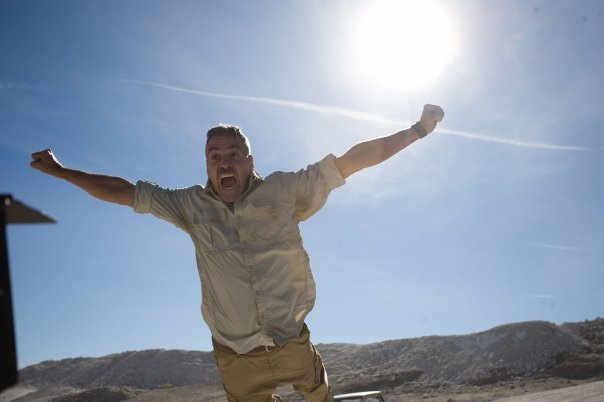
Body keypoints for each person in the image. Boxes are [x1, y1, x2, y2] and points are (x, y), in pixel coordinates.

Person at [30, 104, 444, 402]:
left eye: (232, 155)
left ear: (249, 161)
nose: (224, 164)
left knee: (320, 397)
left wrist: (417, 130)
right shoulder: (189, 205)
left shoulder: (285, 190)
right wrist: (61, 172)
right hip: (236, 356)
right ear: (207, 166)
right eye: (215, 158)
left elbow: (352, 161)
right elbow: (124, 192)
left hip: (291, 341)